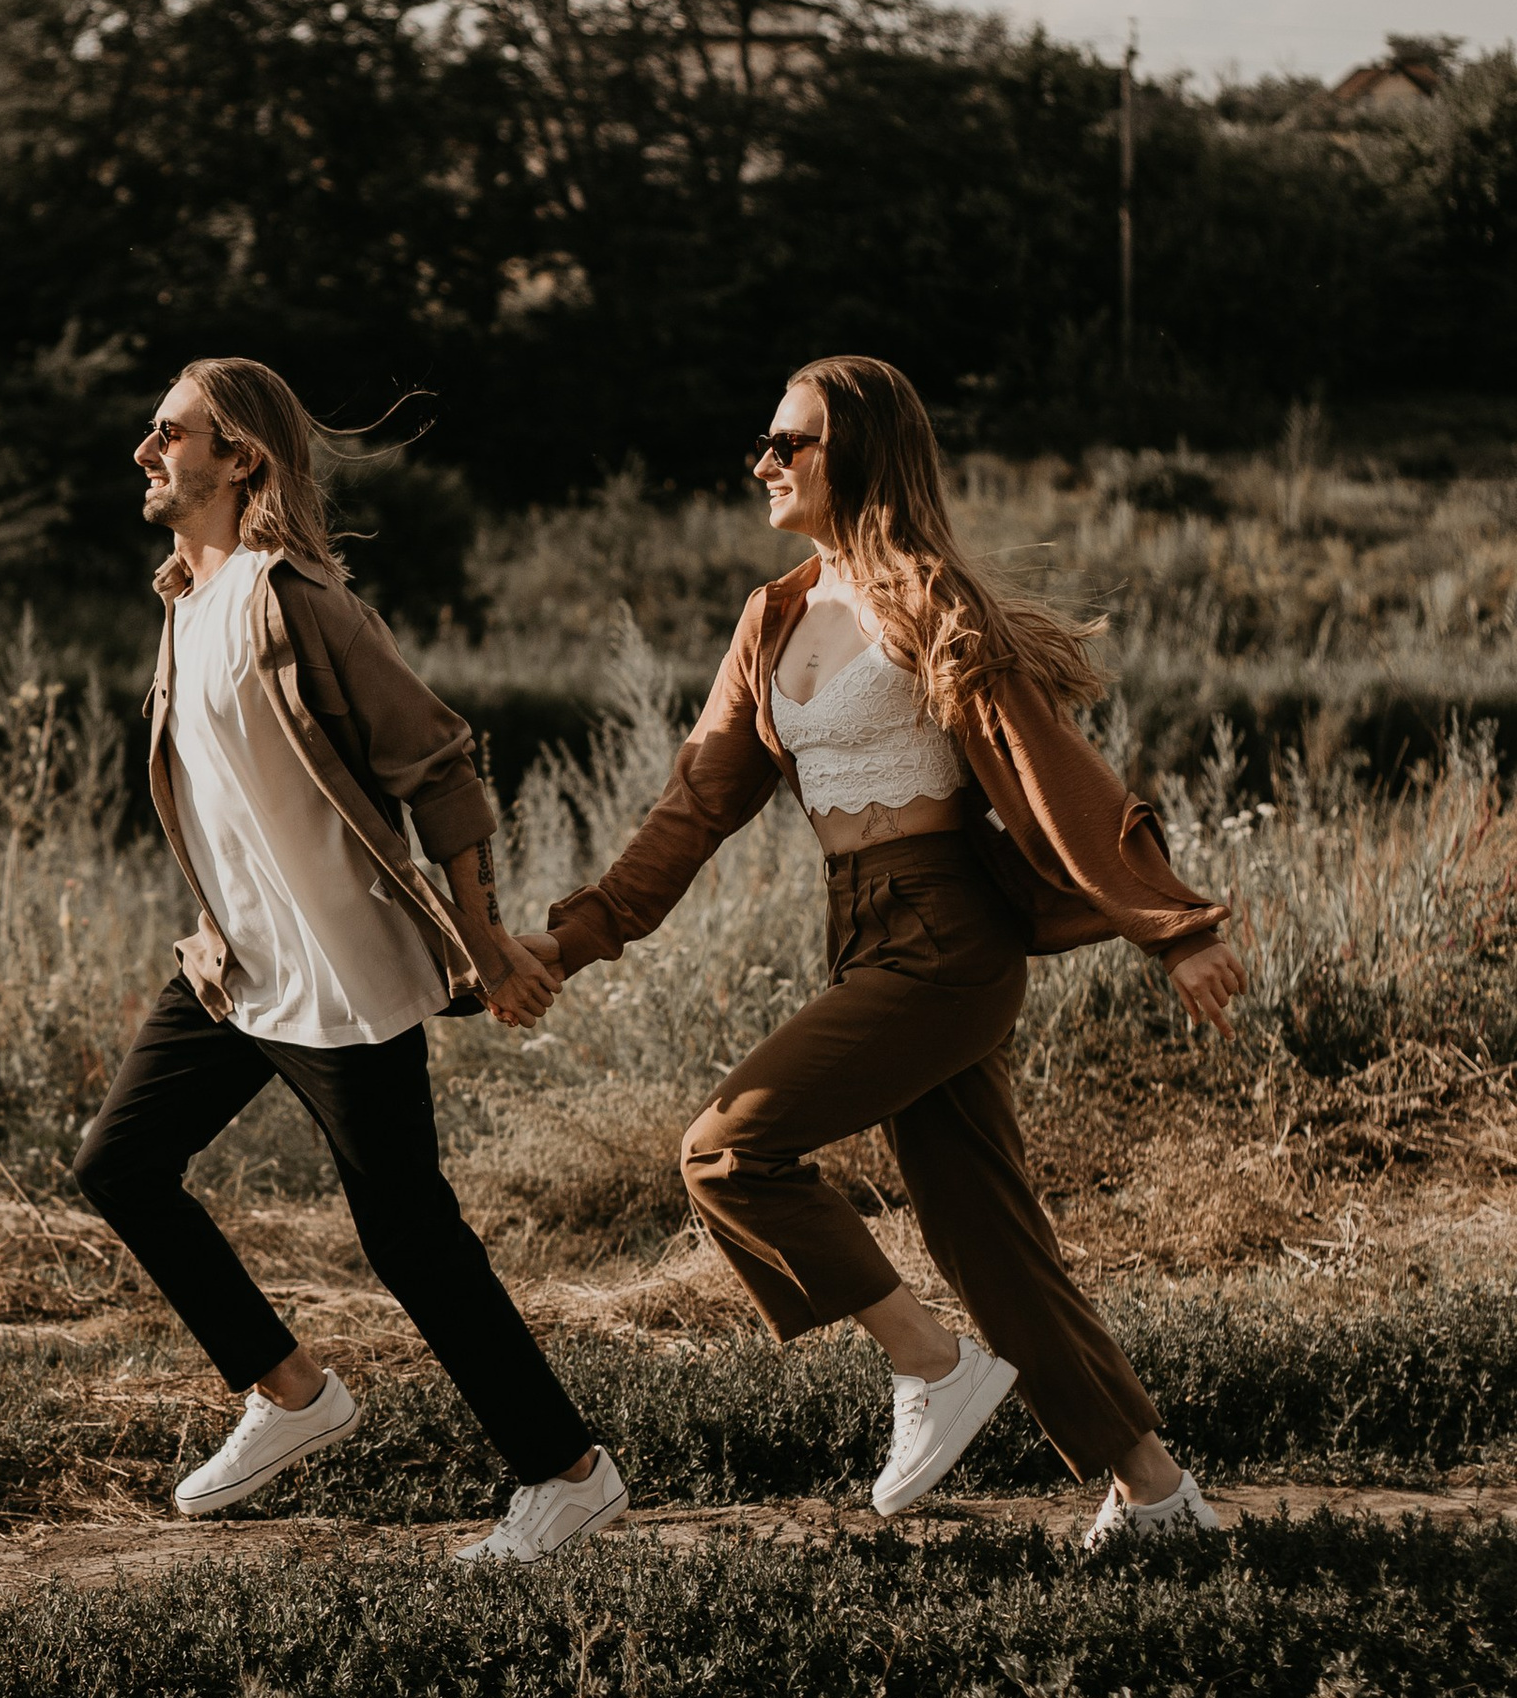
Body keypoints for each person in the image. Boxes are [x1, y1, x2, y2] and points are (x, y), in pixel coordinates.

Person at [522, 355, 1247, 1545]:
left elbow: (1050, 773)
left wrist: (1171, 927)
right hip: (858, 930)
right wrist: (575, 935)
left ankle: (928, 1363)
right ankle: (1158, 1495)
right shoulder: (772, 617)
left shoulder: (929, 604)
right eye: (764, 442)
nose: (761, 461)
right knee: (988, 1236)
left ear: (852, 453)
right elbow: (694, 805)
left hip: (946, 937)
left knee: (725, 1151)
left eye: (786, 442)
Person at [71, 357, 627, 1566]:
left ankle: (566, 1471)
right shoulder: (182, 594)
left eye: (169, 433)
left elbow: (438, 758)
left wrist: (483, 943)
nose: (143, 451)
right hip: (236, 969)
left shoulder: (296, 600)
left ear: (240, 459)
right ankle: (288, 1390)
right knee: (119, 1163)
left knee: (408, 1235)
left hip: (340, 976)